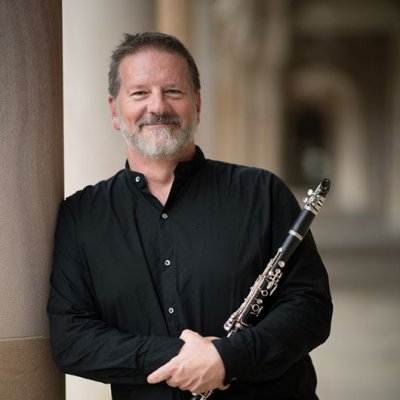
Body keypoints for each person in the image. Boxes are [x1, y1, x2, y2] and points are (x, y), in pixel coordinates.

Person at [47, 32, 332, 400]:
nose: (158, 106)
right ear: (115, 111)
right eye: (139, 93)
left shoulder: (262, 193)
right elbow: (72, 340)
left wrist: (228, 359)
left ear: (197, 105)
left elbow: (310, 307)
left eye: (174, 92)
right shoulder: (80, 216)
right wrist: (186, 358)